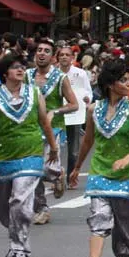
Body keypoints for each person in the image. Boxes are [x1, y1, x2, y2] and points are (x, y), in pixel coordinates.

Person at [0, 54, 59, 257]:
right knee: (3, 205)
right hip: (4, 156)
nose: (20, 70)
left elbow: (44, 123)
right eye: (14, 67)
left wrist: (53, 147)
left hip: (31, 153)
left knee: (20, 200)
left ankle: (19, 249)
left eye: (22, 67)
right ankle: (16, 239)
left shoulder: (35, 93)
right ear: (4, 74)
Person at [69, 60, 129, 257]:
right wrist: (77, 167)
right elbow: (87, 141)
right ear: (111, 84)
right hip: (100, 172)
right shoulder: (93, 109)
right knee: (99, 218)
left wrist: (127, 159)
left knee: (126, 229)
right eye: (123, 80)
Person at [28, 39, 79, 225]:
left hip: (53, 129)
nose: (42, 53)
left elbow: (74, 104)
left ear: (52, 58)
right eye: (39, 50)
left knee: (45, 168)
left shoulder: (60, 78)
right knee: (32, 170)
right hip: (30, 129)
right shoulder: (26, 76)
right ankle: (41, 209)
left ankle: (57, 174)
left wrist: (54, 111)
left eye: (46, 51)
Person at [58, 44, 92, 189]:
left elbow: (87, 91)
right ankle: (55, 178)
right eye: (61, 55)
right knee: (53, 149)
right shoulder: (53, 74)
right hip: (57, 114)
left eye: (67, 55)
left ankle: (71, 177)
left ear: (72, 58)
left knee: (73, 150)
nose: (64, 57)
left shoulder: (80, 74)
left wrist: (87, 98)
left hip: (74, 114)